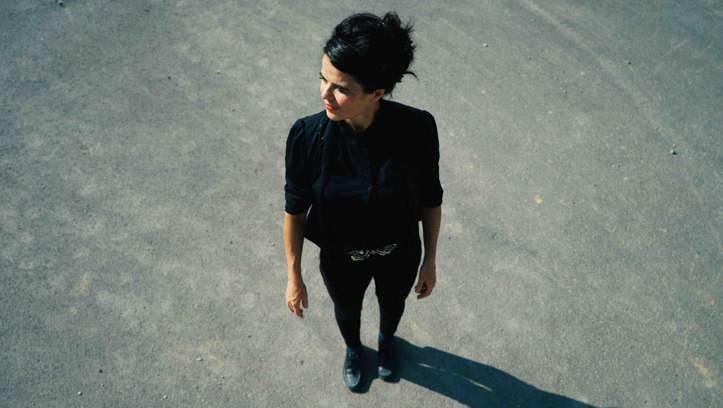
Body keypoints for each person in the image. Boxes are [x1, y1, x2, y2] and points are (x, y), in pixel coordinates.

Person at [283, 11, 443, 391]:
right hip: (340, 259)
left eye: (340, 88)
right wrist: (294, 275)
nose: (324, 94)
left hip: (400, 253)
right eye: (322, 78)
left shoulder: (417, 129)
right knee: (346, 309)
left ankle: (387, 342)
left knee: (393, 304)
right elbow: (294, 210)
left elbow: (431, 199)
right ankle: (354, 349)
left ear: (377, 93)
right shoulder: (307, 136)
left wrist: (430, 259)